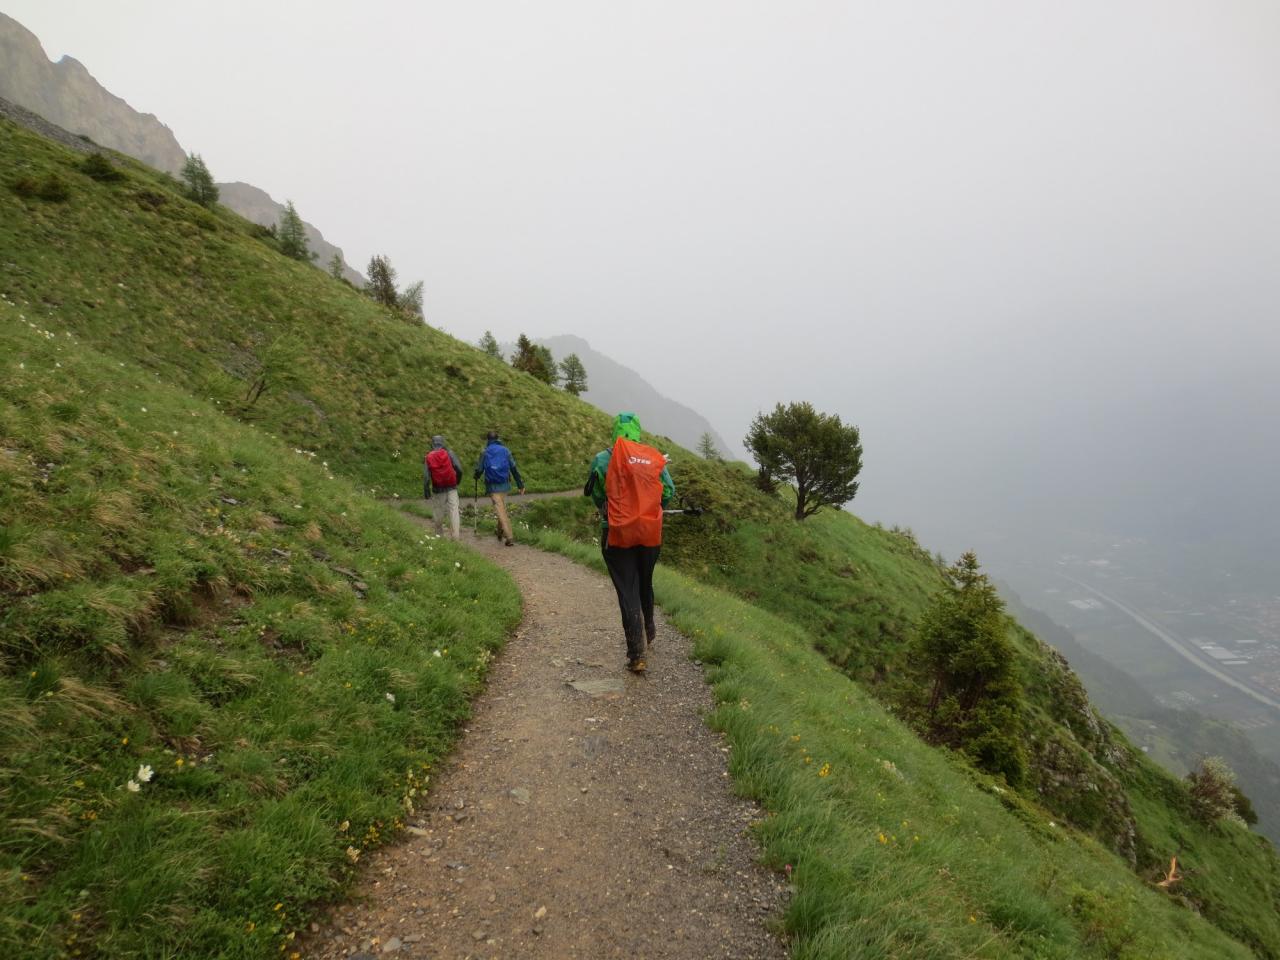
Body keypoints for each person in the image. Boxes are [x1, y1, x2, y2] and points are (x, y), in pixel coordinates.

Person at [584, 412, 674, 673]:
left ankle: (637, 654)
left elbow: (596, 492)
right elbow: (669, 490)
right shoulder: (652, 457)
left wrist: (608, 508)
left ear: (615, 433)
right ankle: (650, 630)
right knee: (645, 581)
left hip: (616, 534)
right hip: (649, 535)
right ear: (638, 432)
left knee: (628, 589)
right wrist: (652, 510)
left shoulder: (603, 459)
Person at [474, 430, 524, 546]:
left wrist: (476, 475)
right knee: (501, 507)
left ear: (488, 440)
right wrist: (520, 485)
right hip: (505, 485)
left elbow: (480, 470)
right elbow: (514, 468)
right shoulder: (506, 451)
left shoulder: (485, 452)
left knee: (500, 510)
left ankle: (509, 537)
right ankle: (499, 532)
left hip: (493, 486)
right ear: (498, 439)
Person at [424, 435, 464, 540]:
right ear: (443, 443)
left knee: (438, 512)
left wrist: (426, 490)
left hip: (438, 489)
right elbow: (459, 469)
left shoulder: (428, 457)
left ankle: (439, 536)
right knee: (454, 511)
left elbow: (426, 477)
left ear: (432, 444)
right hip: (452, 487)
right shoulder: (449, 453)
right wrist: (457, 481)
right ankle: (455, 537)